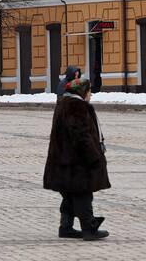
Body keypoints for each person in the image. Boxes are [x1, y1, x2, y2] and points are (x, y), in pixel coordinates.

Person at [43, 77, 110, 240]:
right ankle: (89, 228)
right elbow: (82, 136)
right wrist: (94, 157)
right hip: (76, 163)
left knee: (70, 196)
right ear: (82, 92)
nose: (91, 95)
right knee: (83, 195)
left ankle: (65, 227)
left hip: (63, 161)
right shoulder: (76, 107)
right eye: (89, 91)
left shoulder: (64, 104)